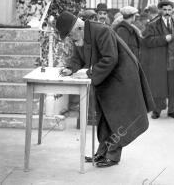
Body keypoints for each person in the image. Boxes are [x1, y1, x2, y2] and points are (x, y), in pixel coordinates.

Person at [56, 11, 155, 168]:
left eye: (69, 34)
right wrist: (70, 68)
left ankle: (113, 156)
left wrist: (89, 73)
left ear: (78, 27)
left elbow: (110, 58)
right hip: (105, 77)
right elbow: (78, 57)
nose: (69, 38)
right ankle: (102, 153)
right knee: (103, 117)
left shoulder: (102, 30)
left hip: (121, 78)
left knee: (116, 118)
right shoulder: (80, 35)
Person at [141, 0, 174, 120]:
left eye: (169, 9)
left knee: (173, 86)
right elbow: (147, 41)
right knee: (158, 85)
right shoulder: (153, 24)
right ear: (160, 10)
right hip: (158, 61)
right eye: (164, 9)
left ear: (172, 11)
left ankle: (172, 110)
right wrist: (163, 39)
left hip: (173, 60)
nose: (167, 12)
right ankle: (157, 110)